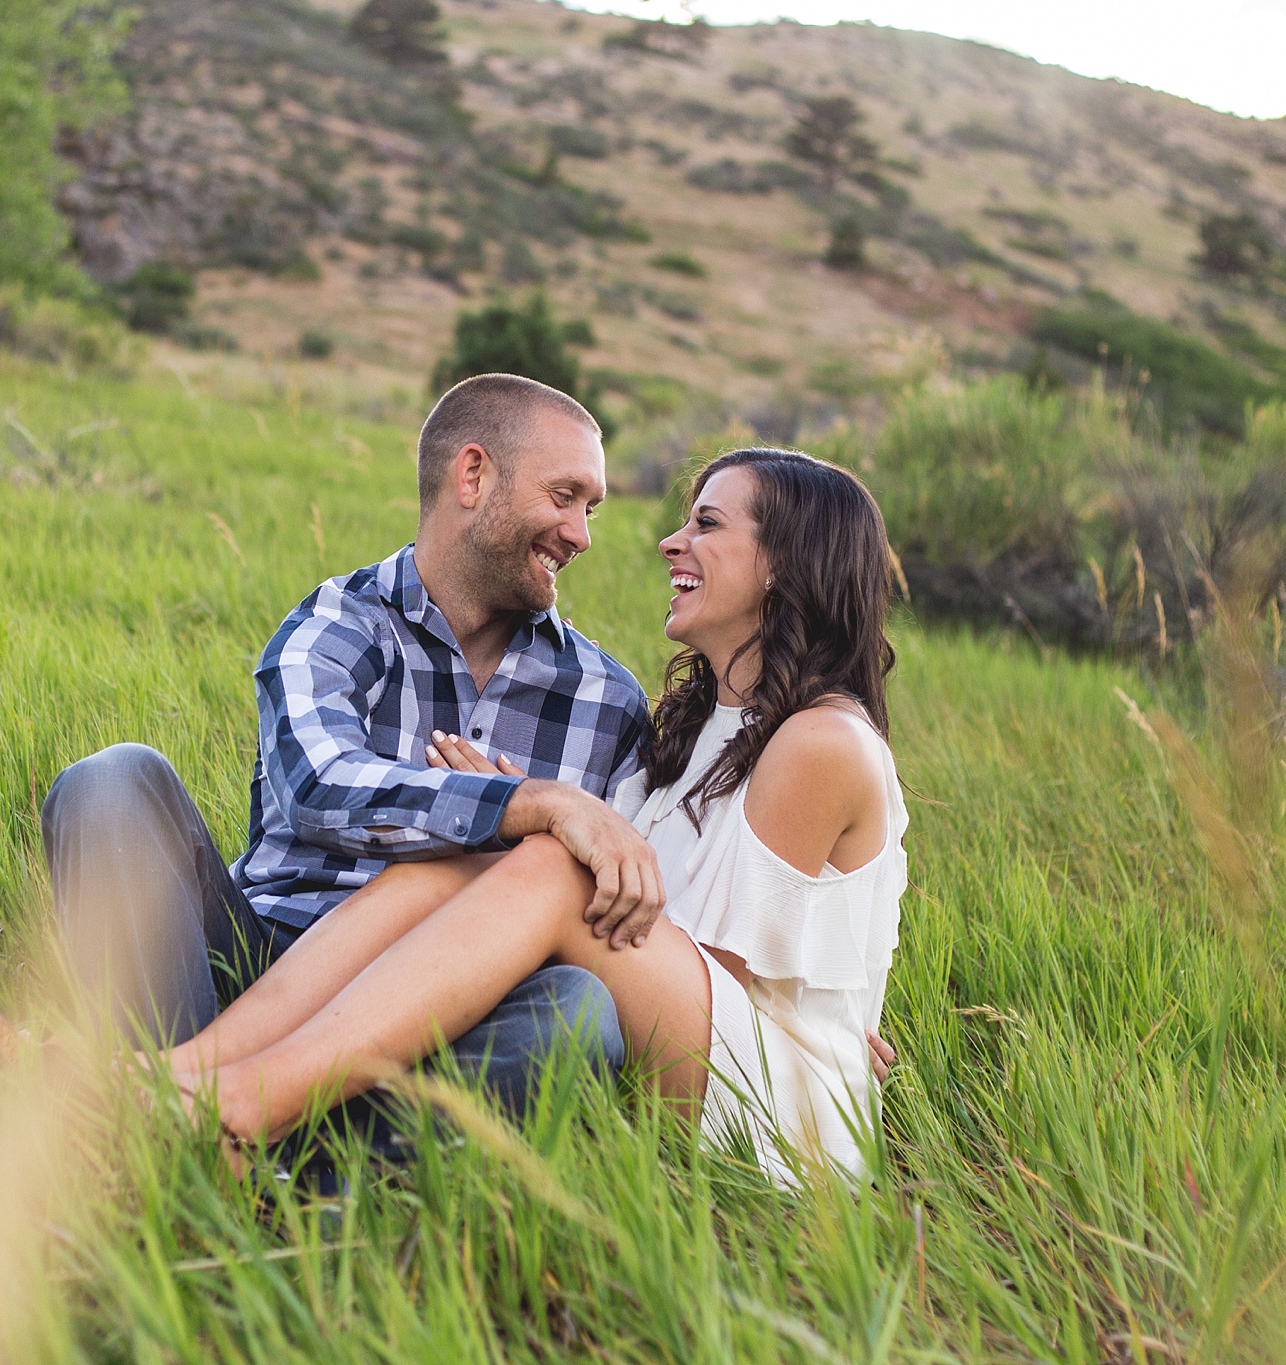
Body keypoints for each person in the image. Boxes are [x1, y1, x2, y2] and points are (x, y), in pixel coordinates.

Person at [163, 447, 905, 1185]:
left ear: (784, 562)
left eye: (706, 523)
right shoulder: (702, 723)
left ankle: (242, 1109)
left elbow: (721, 964)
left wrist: (541, 847)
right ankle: (184, 1072)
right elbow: (626, 905)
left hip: (780, 1102)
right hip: (697, 1031)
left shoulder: (820, 740)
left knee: (542, 860)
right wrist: (508, 816)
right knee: (468, 851)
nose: (670, 542)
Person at [0, 373, 666, 1119]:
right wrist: (531, 804)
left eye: (591, 508)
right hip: (256, 965)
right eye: (565, 497)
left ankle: (218, 1130)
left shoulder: (610, 701)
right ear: (473, 475)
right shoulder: (336, 625)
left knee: (576, 1010)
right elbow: (319, 787)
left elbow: (612, 910)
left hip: (437, 1017)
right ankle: (163, 1098)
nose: (582, 533)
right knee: (111, 779)